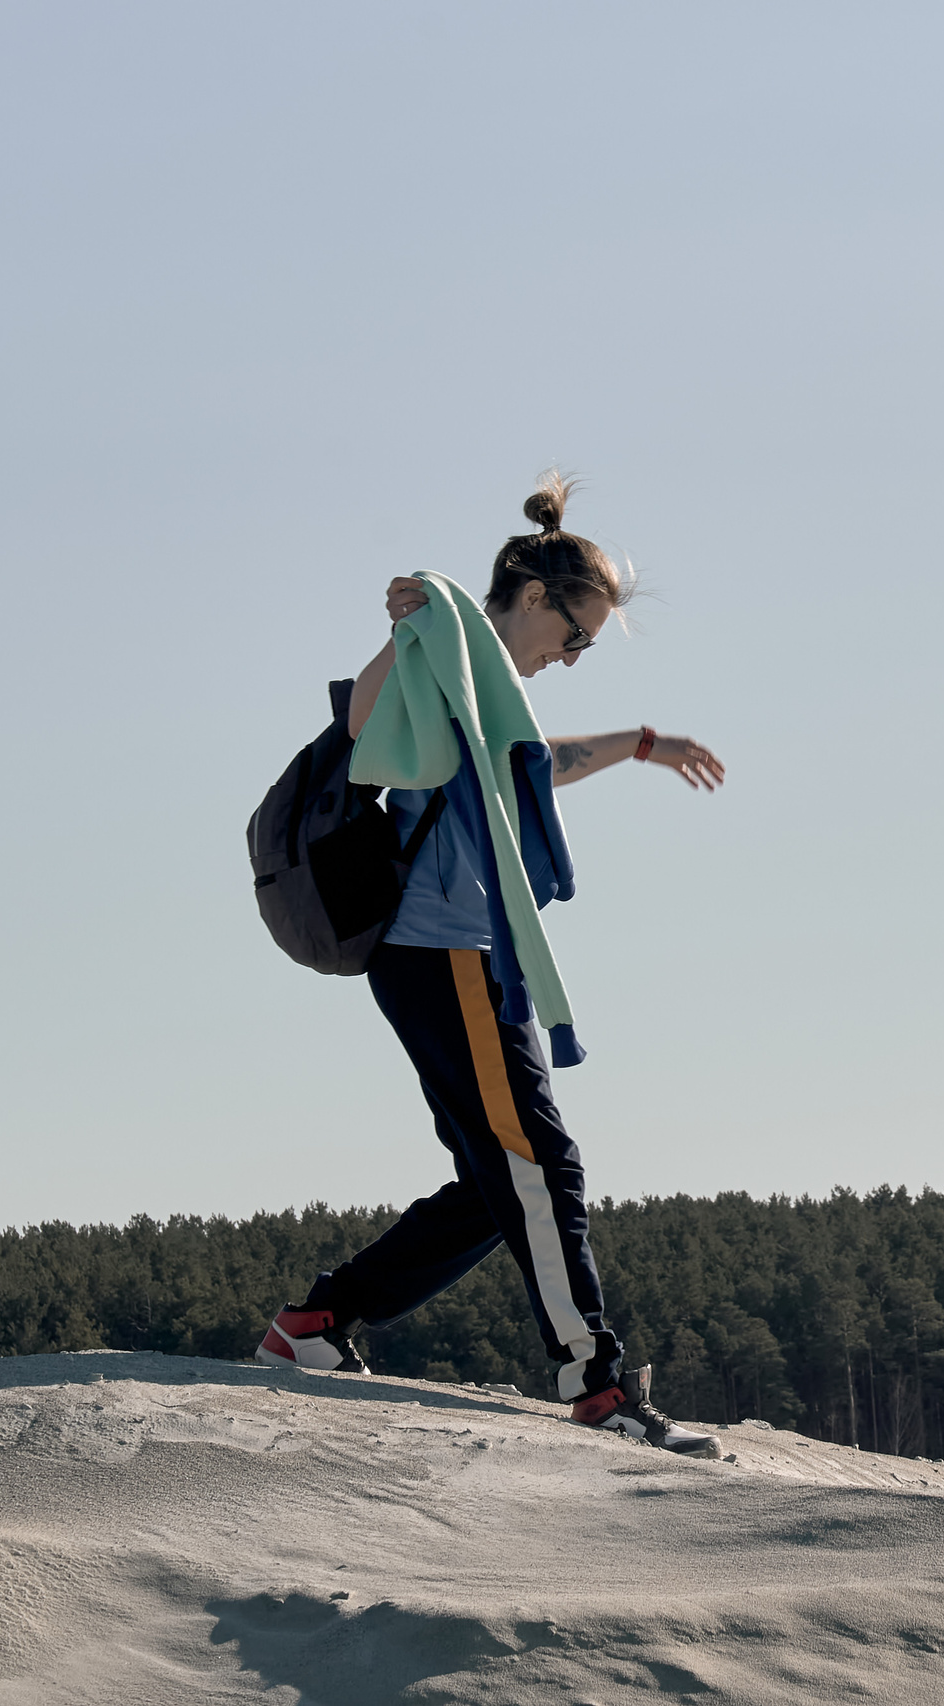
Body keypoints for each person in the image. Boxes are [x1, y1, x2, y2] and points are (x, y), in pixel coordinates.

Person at [255, 474, 726, 1457]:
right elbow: (360, 731)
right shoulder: (440, 659)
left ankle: (315, 1324)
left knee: (491, 1180)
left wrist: (640, 743)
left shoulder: (488, 702)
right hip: (442, 951)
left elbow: (532, 766)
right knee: (538, 1163)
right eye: (577, 632)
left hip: (469, 959)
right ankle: (594, 1378)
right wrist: (414, 620)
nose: (576, 653)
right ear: (530, 597)